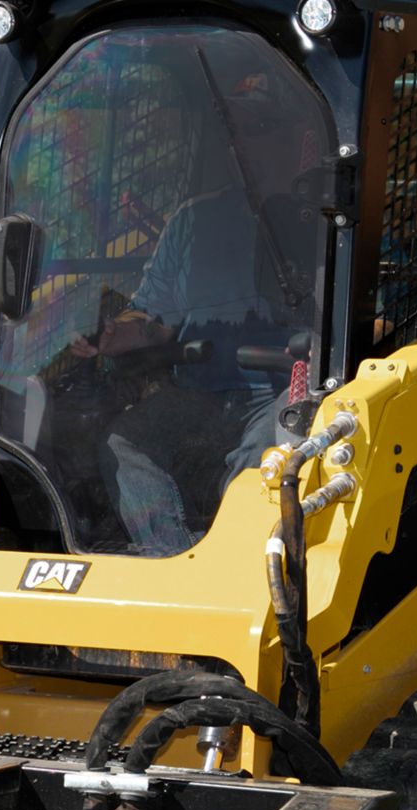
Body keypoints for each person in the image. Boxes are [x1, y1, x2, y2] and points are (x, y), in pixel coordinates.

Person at [70, 186, 301, 556]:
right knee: (124, 443)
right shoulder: (192, 219)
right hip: (198, 387)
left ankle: (242, 563)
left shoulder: (313, 216)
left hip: (280, 387)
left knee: (261, 460)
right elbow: (154, 317)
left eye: (267, 128)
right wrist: (110, 336)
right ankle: (172, 556)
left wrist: (319, 342)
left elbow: (372, 321)